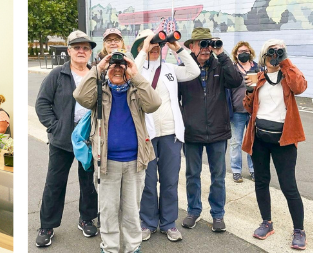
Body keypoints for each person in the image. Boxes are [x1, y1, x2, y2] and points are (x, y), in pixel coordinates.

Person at [75, 46, 161, 253]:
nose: (117, 69)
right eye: (112, 66)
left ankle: (133, 246)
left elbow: (154, 103)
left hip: (135, 161)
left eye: (121, 66)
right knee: (108, 210)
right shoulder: (99, 90)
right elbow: (80, 96)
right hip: (107, 161)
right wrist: (99, 68)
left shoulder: (137, 90)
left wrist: (135, 73)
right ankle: (110, 247)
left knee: (132, 211)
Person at [130, 29, 200, 242]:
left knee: (169, 181)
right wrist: (144, 48)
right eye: (150, 44)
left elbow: (193, 71)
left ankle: (168, 223)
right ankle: (148, 222)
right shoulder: (137, 69)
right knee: (148, 182)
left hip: (171, 134)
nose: (154, 47)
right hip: (147, 136)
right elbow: (132, 71)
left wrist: (177, 48)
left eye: (157, 44)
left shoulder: (169, 68)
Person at [33, 30, 99, 247]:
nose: (81, 51)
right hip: (62, 140)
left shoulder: (97, 74)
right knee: (55, 183)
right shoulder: (57, 75)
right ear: (69, 51)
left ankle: (87, 219)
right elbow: (42, 103)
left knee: (88, 182)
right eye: (77, 47)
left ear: (90, 52)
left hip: (89, 138)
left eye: (86, 48)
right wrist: (56, 126)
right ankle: (47, 225)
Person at [243, 39, 308, 250]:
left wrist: (285, 60)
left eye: (279, 51)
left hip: (284, 140)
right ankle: (266, 222)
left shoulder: (288, 76)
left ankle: (299, 230)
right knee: (261, 182)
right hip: (260, 138)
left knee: (289, 186)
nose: (275, 55)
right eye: (272, 52)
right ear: (264, 55)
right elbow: (247, 107)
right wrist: (250, 92)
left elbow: (300, 87)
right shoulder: (259, 77)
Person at [178, 28, 243, 232]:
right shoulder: (184, 69)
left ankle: (217, 214)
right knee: (192, 175)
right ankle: (193, 210)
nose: (205, 49)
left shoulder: (221, 65)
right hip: (192, 131)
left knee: (218, 176)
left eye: (208, 44)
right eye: (201, 44)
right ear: (191, 47)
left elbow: (236, 80)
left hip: (217, 131)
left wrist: (222, 53)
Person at [230, 41, 259, 183]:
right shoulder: (233, 68)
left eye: (246, 51)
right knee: (236, 142)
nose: (244, 53)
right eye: (241, 51)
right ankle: (236, 170)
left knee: (253, 142)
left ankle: (253, 170)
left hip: (253, 111)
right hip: (237, 111)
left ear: (250, 52)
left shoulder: (257, 67)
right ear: (236, 54)